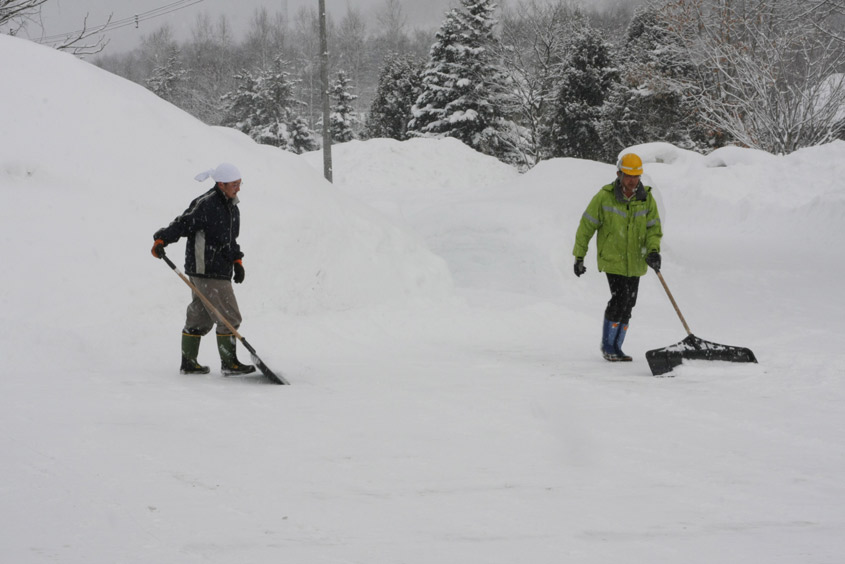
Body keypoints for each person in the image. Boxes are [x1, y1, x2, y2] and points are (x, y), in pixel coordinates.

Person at [151, 163, 256, 375]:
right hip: (207, 269)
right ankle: (230, 364)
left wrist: (237, 262)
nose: (238, 188)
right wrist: (162, 239)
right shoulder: (206, 204)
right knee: (229, 316)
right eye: (234, 184)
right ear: (221, 184)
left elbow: (230, 240)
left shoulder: (231, 206)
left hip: (217, 268)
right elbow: (183, 223)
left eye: (239, 183)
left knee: (199, 317)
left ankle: (189, 363)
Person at [572, 153, 662, 362]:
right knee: (620, 298)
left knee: (630, 302)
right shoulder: (604, 197)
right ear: (619, 174)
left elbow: (653, 229)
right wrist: (579, 256)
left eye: (636, 176)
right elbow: (586, 226)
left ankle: (617, 347)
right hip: (613, 258)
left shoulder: (646, 199)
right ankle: (608, 346)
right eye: (629, 176)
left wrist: (653, 251)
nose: (633, 180)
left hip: (636, 260)